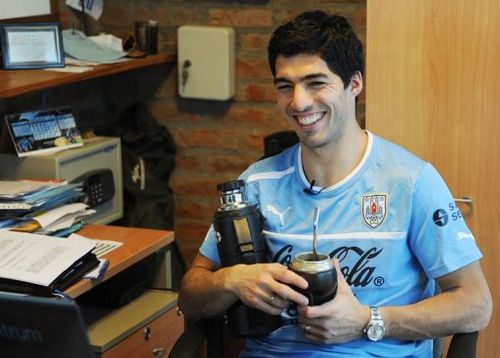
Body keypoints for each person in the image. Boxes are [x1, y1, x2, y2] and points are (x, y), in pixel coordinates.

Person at [178, 10, 492, 357]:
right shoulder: (256, 183)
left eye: (316, 82)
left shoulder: (412, 181)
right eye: (286, 86)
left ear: (354, 83)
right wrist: (229, 280)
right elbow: (190, 297)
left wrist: (368, 321)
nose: (298, 102)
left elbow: (476, 304)